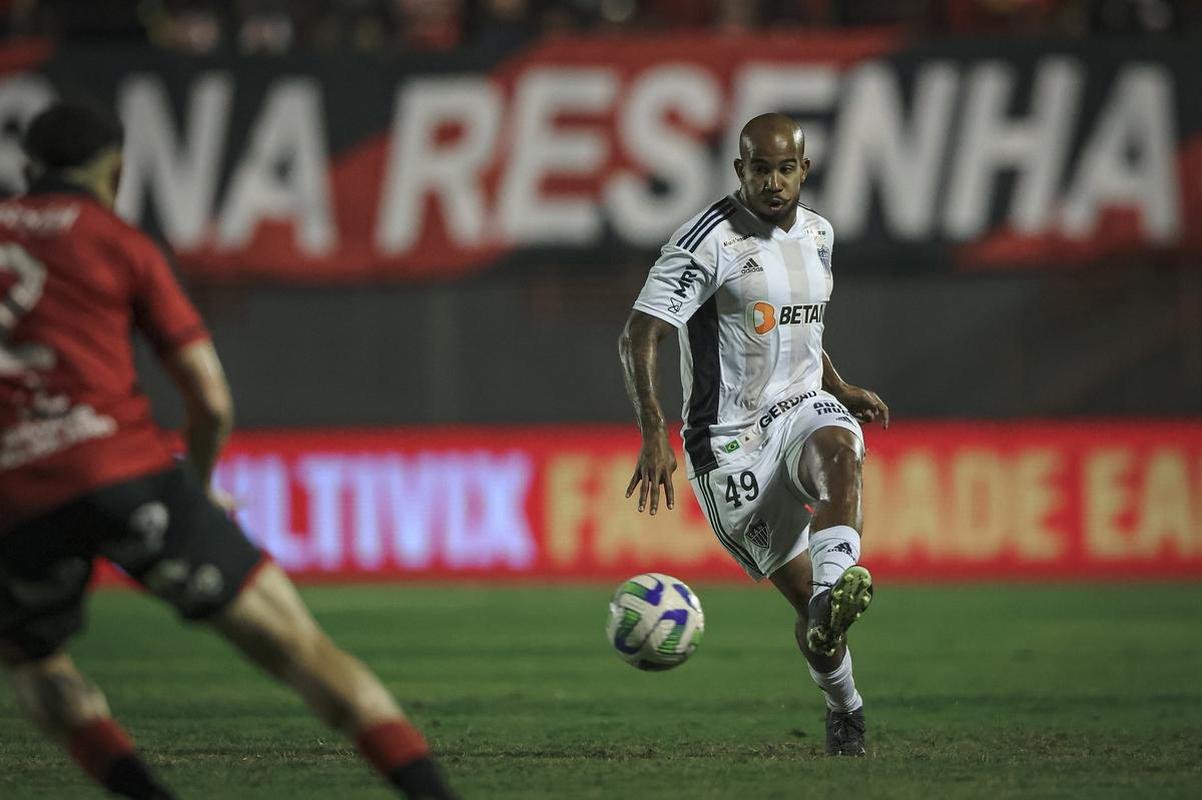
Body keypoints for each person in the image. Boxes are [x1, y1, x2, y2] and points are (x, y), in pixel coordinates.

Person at [0, 102, 457, 800]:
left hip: (16, 502)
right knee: (301, 649)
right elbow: (209, 399)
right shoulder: (119, 242)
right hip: (126, 469)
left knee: (36, 664)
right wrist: (201, 485)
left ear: (27, 169)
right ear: (116, 172)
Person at [618, 112, 889, 756]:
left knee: (842, 449)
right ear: (739, 170)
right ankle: (843, 702)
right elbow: (640, 334)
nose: (773, 181)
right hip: (728, 445)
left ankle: (832, 590)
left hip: (799, 408)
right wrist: (653, 429)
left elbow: (799, 328)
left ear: (804, 170)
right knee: (810, 621)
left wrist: (839, 386)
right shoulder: (704, 242)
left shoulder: (820, 235)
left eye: (785, 168)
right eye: (759, 168)